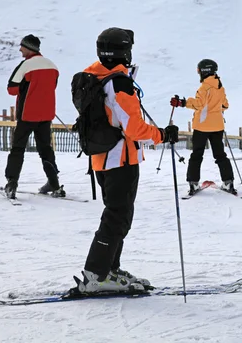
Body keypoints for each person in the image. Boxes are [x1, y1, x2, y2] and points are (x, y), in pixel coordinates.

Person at [76, 27, 179, 293]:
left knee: (116, 214)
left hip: (101, 157)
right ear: (125, 51)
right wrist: (162, 135)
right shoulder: (117, 82)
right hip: (120, 158)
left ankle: (108, 268)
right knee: (117, 216)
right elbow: (133, 128)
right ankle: (97, 274)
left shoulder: (94, 75)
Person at [3, 34, 63, 199]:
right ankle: (54, 182)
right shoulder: (53, 66)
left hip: (27, 114)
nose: (20, 49)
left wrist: (25, 87)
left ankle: (12, 182)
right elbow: (53, 86)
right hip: (46, 115)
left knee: (18, 149)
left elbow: (11, 89)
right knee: (45, 149)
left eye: (22, 46)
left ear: (29, 48)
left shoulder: (25, 65)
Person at [170, 59, 235, 195]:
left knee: (197, 155)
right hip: (217, 126)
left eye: (199, 71)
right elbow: (225, 105)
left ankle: (193, 184)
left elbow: (199, 104)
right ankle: (228, 182)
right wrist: (215, 106)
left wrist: (182, 102)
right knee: (220, 155)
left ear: (204, 71)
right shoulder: (219, 87)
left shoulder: (204, 87)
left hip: (202, 127)